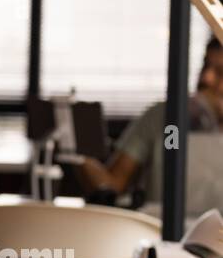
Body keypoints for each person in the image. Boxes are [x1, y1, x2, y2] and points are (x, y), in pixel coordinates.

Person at [77, 39, 223, 204]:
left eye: (220, 71)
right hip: (161, 225)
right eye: (205, 66)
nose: (207, 78)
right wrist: (75, 150)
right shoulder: (168, 119)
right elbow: (113, 184)